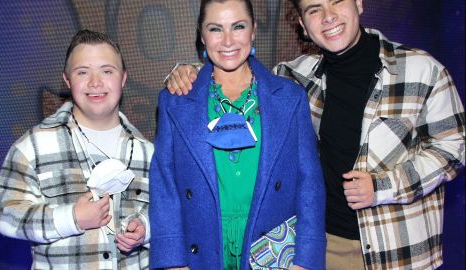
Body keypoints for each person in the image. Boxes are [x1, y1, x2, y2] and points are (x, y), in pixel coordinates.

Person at [164, 0, 466, 269]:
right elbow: (235, 72)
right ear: (302, 25)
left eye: (337, 2)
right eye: (314, 9)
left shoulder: (422, 69)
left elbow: (454, 148)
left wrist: (383, 185)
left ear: (359, 3)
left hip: (398, 247)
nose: (328, 16)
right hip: (325, 244)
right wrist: (188, 74)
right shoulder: (295, 77)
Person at [149, 0, 326, 269]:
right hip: (202, 249)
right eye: (216, 29)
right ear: (201, 34)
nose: (228, 40)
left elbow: (309, 184)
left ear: (253, 30)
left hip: (274, 251)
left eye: (238, 26)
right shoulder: (175, 100)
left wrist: (306, 260)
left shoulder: (290, 97)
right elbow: (165, 186)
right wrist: (173, 261)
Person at [0, 29, 153, 269]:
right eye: (83, 72)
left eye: (107, 71)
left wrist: (145, 230)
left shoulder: (148, 153)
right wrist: (71, 218)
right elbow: (5, 214)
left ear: (123, 78)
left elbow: (171, 215)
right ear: (67, 80)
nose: (95, 82)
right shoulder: (33, 146)